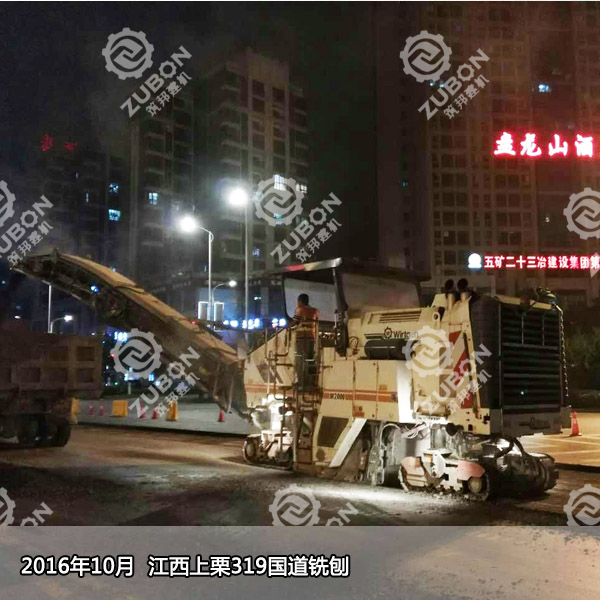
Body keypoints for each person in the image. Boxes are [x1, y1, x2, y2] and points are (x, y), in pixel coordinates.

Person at [293, 294, 319, 389]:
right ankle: (311, 382)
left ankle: (302, 383)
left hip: (301, 338)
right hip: (312, 338)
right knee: (310, 359)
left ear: (300, 301)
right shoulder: (315, 310)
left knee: (301, 360)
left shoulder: (300, 310)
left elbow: (295, 322)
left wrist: (285, 327)